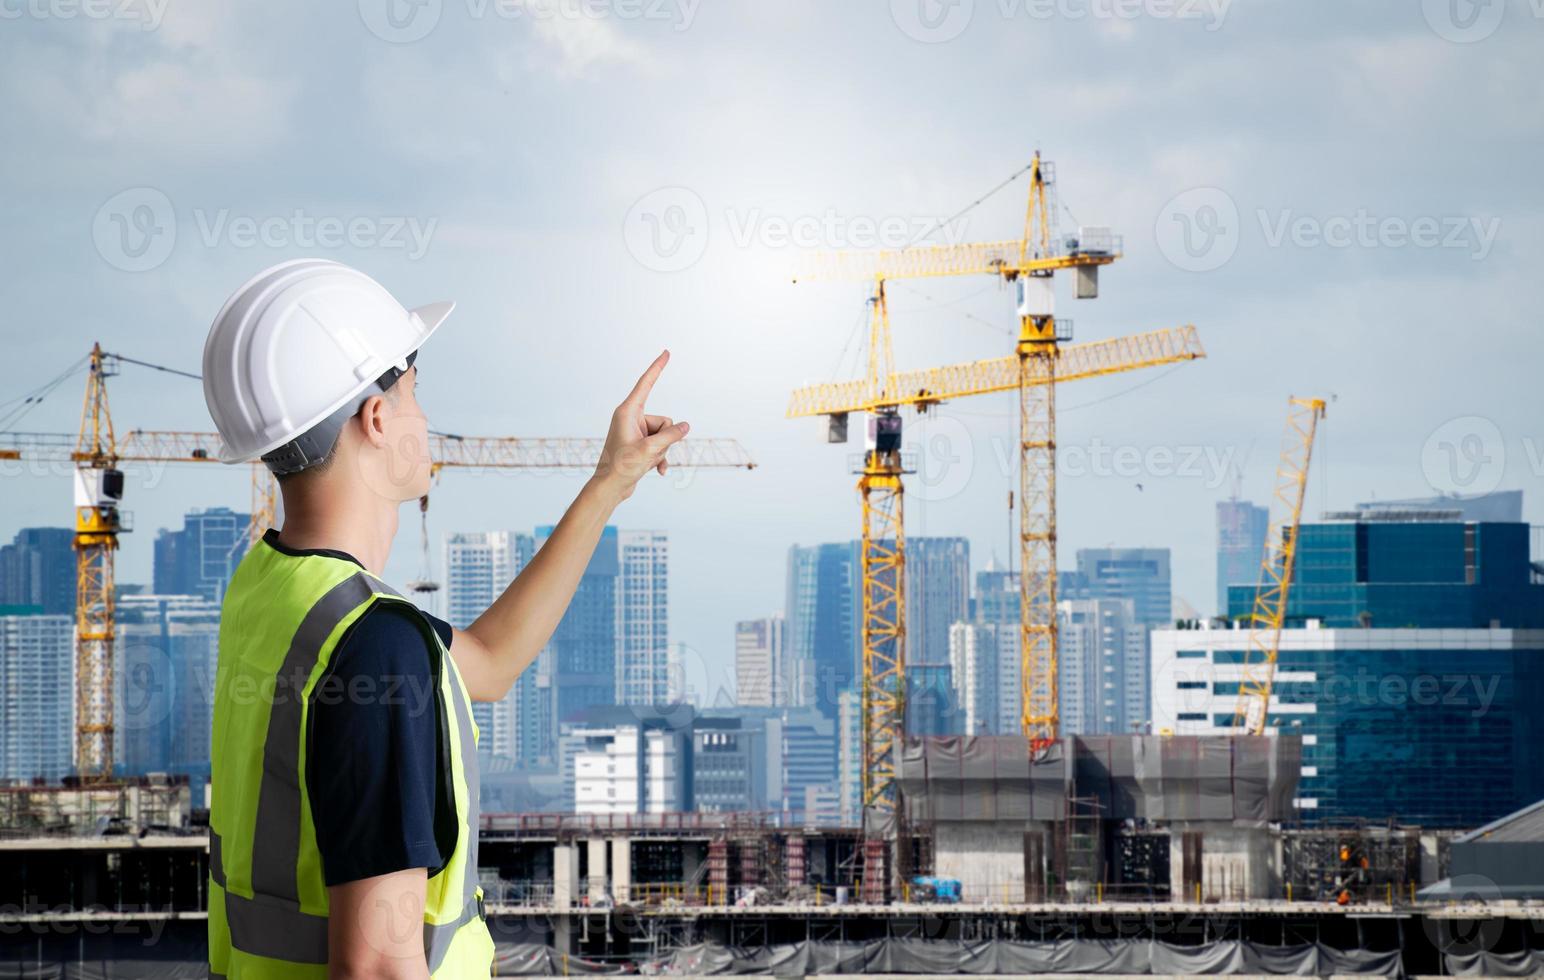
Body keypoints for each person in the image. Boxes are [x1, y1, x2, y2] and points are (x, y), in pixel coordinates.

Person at [201, 259, 688, 979]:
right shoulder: (375, 648)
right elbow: (377, 967)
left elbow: (489, 661)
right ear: (375, 419)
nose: (426, 420)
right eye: (415, 395)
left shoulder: (273, 588)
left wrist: (610, 483)